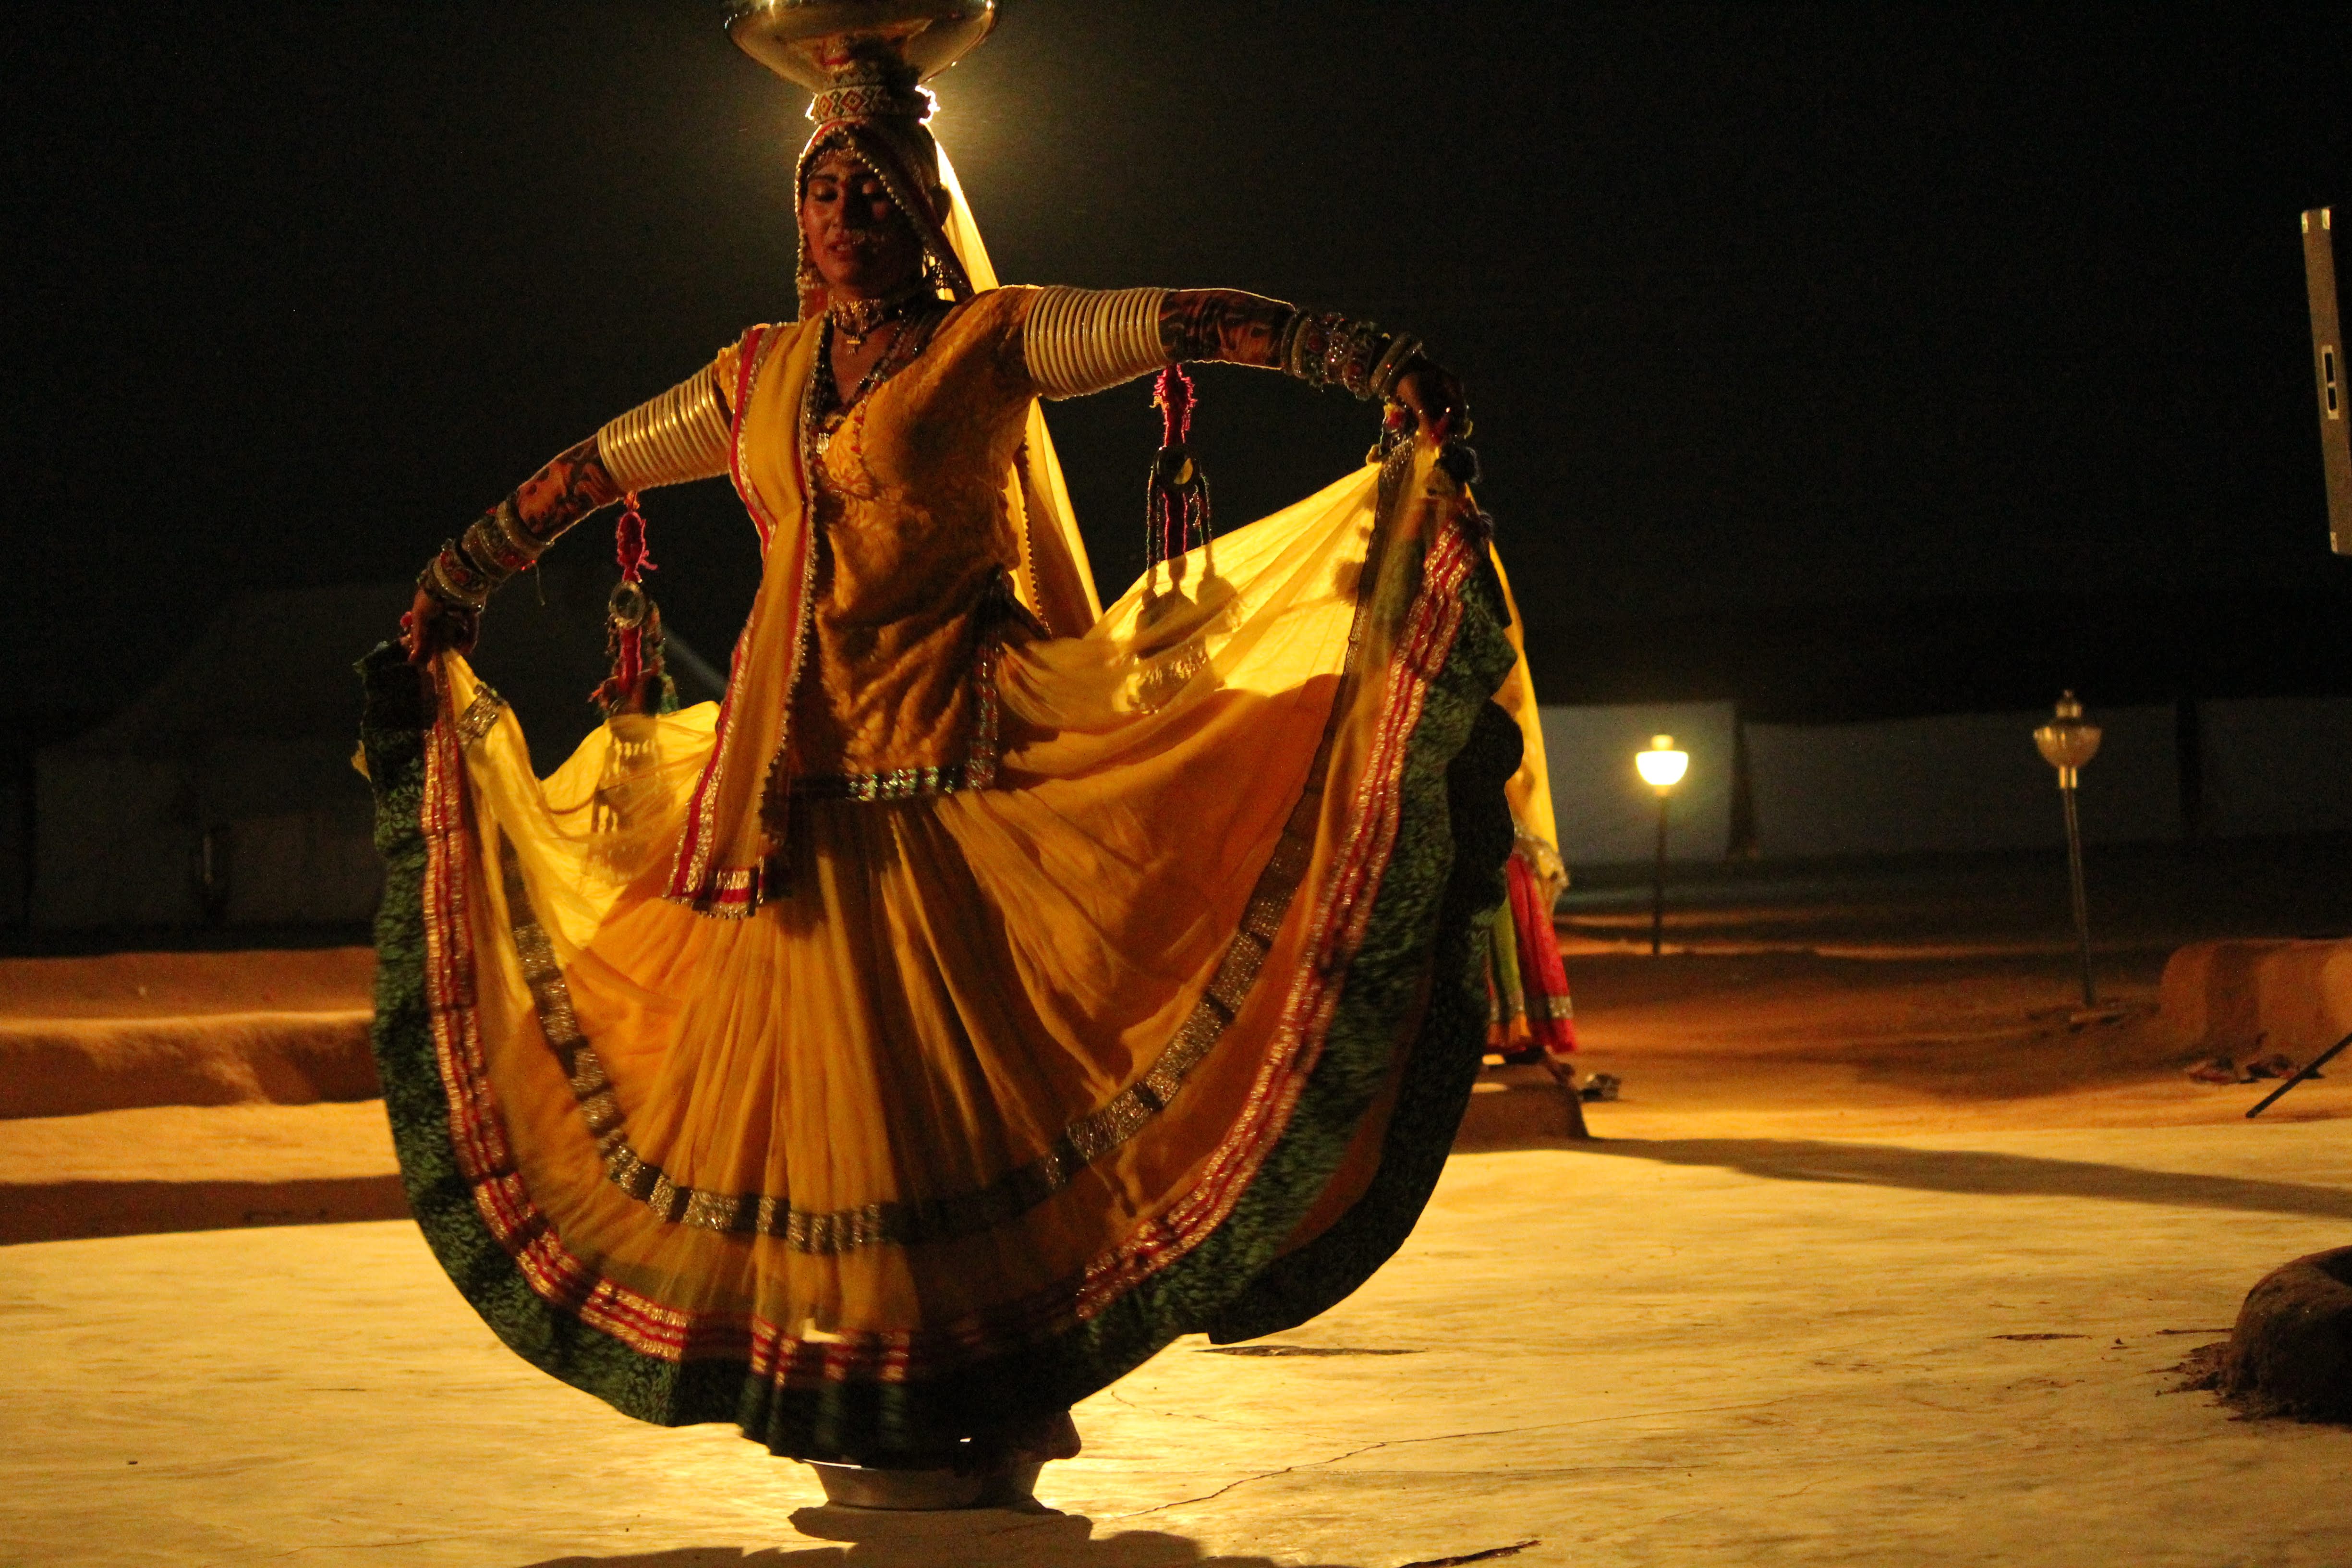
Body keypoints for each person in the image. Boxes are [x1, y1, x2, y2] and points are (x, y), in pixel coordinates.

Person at [360, 48, 1532, 1490]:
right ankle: (857, 1393)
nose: (845, 210)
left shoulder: (993, 341)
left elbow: (1173, 325)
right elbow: (594, 469)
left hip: (956, 771)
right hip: (782, 794)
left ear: (921, 210)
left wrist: (1350, 355)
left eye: (871, 187)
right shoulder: (757, 376)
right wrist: (460, 576)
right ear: (798, 226)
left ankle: (997, 1384)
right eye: (823, 192)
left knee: (954, 1103)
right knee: (825, 1127)